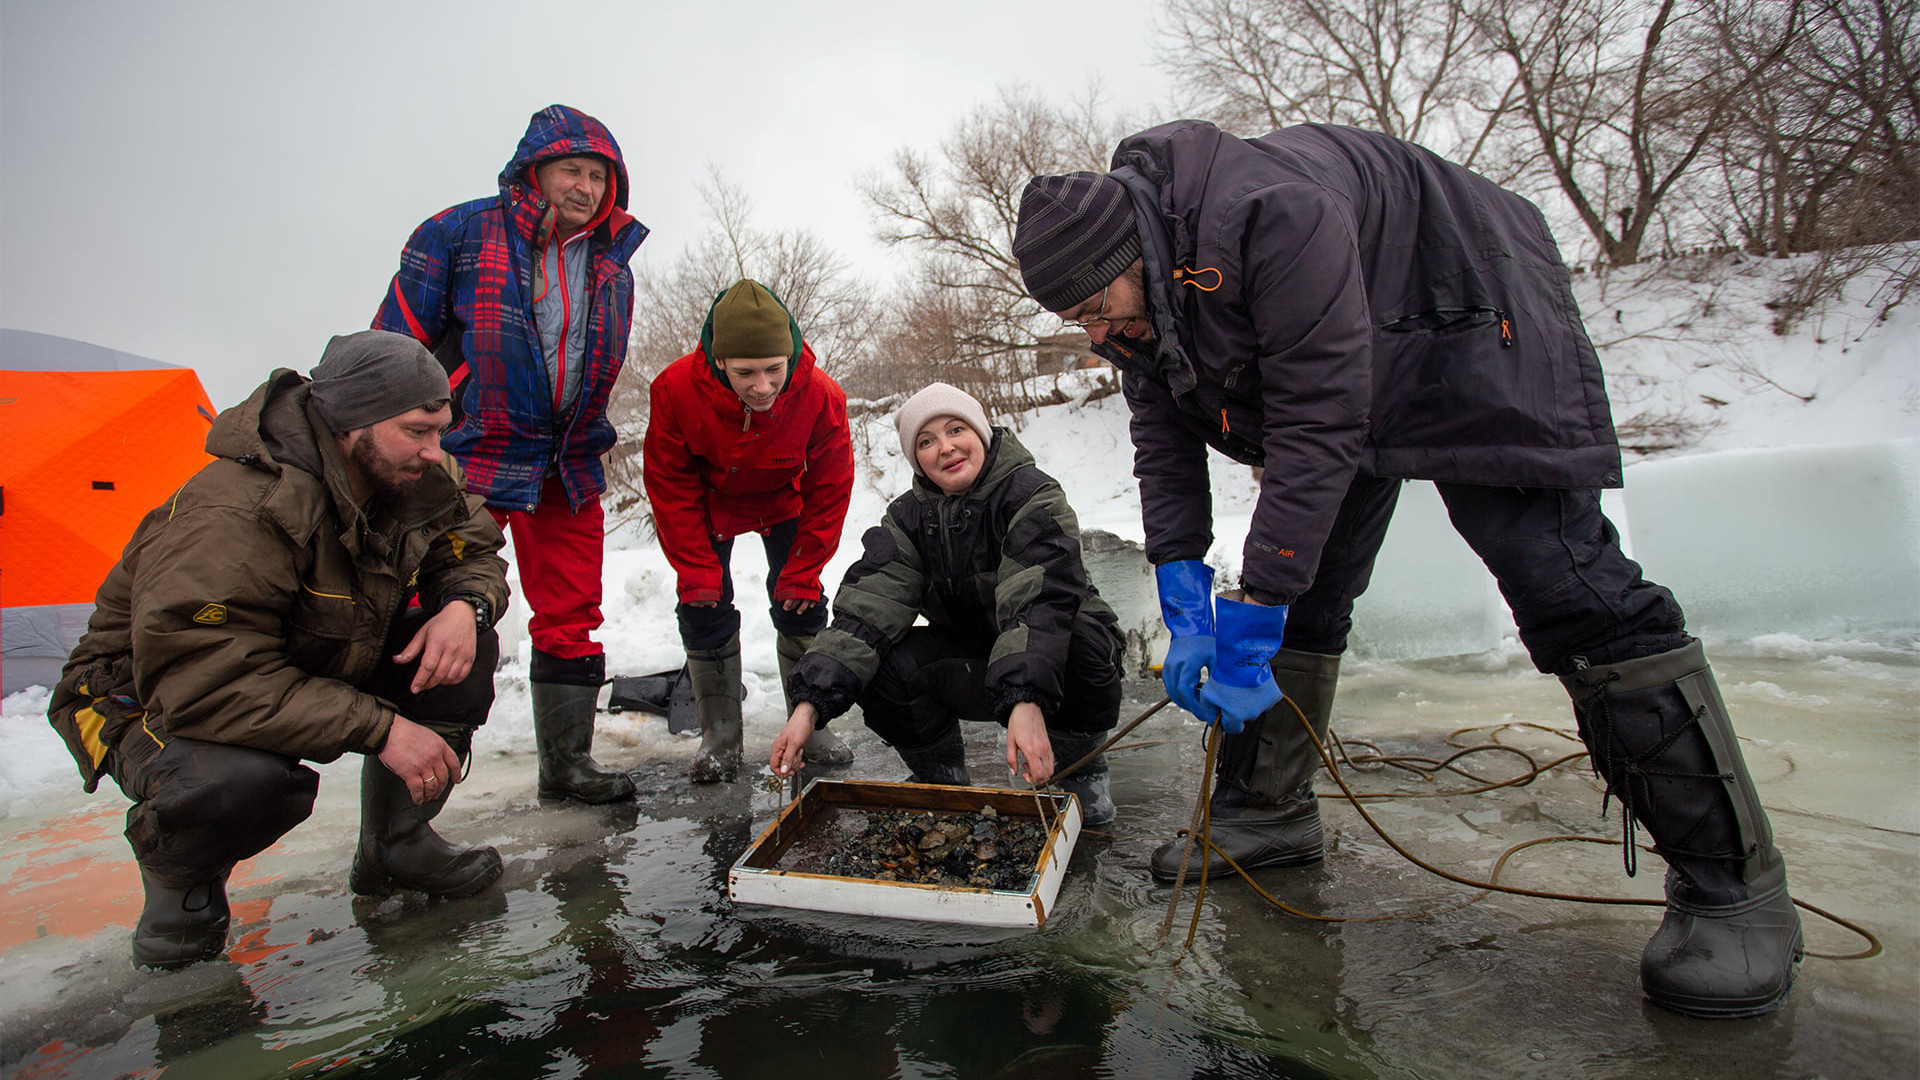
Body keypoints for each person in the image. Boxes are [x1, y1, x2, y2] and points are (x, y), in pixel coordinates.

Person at [1010, 120, 1800, 1018]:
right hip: (1348, 360)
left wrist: (1259, 597)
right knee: (1308, 591)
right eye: (1079, 321)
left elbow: (1317, 420)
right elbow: (1163, 443)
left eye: (1098, 307)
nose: (1097, 329)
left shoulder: (1270, 211)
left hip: (1470, 318)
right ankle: (1267, 812)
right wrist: (1183, 587)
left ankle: (1734, 888)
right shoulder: (1137, 298)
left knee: (1565, 586)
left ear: (1132, 252)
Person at [46, 331, 512, 970]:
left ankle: (395, 844)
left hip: (303, 654)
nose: (436, 452)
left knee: (462, 652)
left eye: (441, 430)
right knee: (237, 784)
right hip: (146, 695)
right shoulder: (236, 513)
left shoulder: (410, 469)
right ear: (352, 425)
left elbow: (471, 545)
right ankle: (182, 912)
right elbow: (206, 681)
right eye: (417, 432)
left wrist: (466, 606)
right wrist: (381, 728)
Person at [374, 104, 648, 804]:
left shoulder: (614, 265)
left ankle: (566, 767)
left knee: (573, 611)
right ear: (534, 171)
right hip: (471, 453)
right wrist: (408, 437)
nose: (584, 187)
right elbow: (396, 346)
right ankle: (402, 812)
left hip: (568, 459)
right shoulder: (458, 233)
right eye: (570, 170)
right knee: (431, 601)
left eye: (598, 175)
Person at [769, 383, 1124, 826]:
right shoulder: (906, 518)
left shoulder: (1033, 494)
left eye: (956, 429)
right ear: (916, 458)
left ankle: (1078, 771)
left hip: (1051, 661)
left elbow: (1039, 602)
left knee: (1083, 643)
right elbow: (865, 613)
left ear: (981, 432)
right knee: (883, 664)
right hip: (976, 660)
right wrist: (809, 707)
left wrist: (1026, 700)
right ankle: (943, 780)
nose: (946, 447)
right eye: (926, 441)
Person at [643, 279, 856, 781]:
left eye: (773, 370)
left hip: (786, 497)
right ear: (718, 360)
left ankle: (811, 720)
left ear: (791, 356)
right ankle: (721, 735)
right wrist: (696, 572)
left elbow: (831, 488)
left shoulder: (822, 395)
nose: (761, 386)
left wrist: (804, 570)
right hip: (709, 501)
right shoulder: (673, 389)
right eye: (745, 373)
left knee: (800, 602)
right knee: (702, 605)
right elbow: (670, 488)